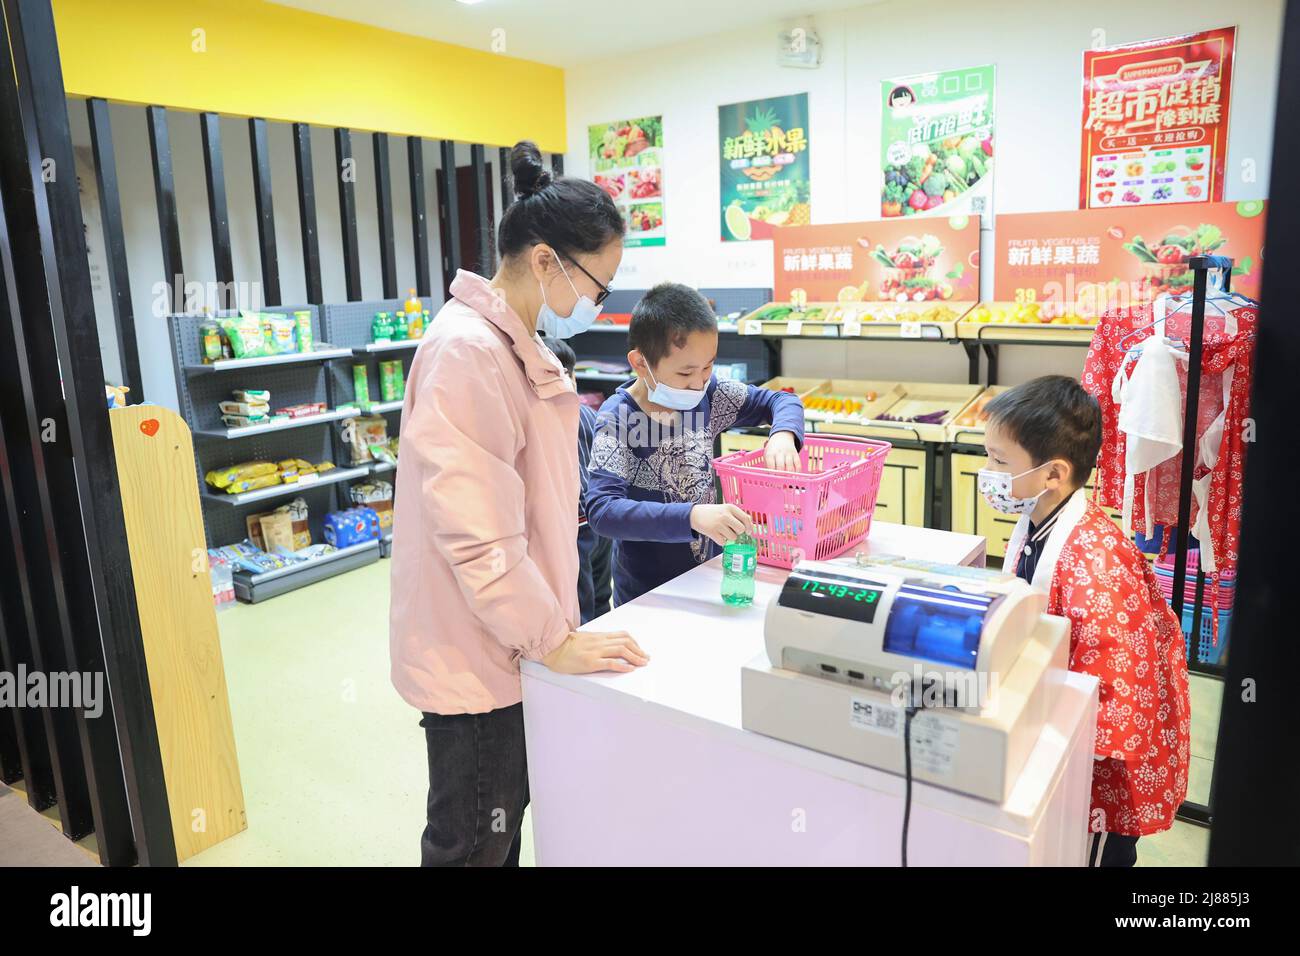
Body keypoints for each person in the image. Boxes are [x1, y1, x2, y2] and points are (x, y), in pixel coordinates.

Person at [390, 141, 649, 868]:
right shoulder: (467, 352)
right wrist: (551, 639)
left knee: (498, 830)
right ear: (545, 261)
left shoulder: (510, 343)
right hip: (478, 651)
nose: (596, 306)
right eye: (597, 287)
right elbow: (478, 534)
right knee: (474, 839)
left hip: (512, 638)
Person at [980, 375, 1191, 867]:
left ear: (1053, 473)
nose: (987, 472)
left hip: (1096, 772)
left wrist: (1058, 756)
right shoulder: (1040, 520)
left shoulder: (1095, 559)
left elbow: (1119, 683)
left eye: (999, 461)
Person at [585, 282, 805, 606]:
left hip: (709, 579)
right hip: (649, 597)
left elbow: (781, 402)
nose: (699, 382)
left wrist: (783, 434)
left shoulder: (710, 395)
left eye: (708, 365)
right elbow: (603, 511)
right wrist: (691, 516)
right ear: (641, 362)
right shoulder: (619, 419)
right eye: (686, 372)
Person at [540, 334, 614, 624]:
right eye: (556, 374)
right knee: (581, 600)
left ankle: (602, 635)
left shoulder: (586, 415)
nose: (566, 382)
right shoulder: (539, 421)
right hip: (574, 527)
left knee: (598, 594)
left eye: (568, 373)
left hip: (595, 521)